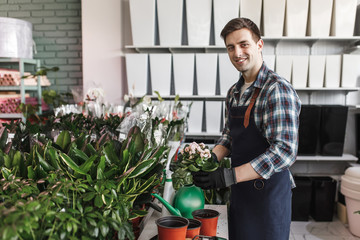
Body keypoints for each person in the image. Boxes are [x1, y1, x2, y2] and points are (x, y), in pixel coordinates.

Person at [192, 18, 301, 240]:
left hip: (268, 198)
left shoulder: (276, 90)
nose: (237, 52)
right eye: (230, 47)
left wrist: (228, 176)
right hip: (241, 194)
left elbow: (285, 151)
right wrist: (210, 159)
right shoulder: (234, 91)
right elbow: (229, 136)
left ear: (259, 45)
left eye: (244, 44)